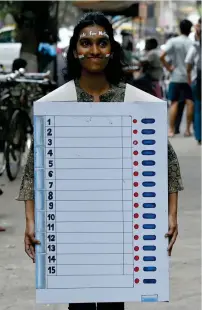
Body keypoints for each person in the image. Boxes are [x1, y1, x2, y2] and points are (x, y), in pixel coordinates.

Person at [17, 12, 183, 310]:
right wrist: (31, 220)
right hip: (71, 227)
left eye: (102, 42)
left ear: (112, 49)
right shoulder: (56, 104)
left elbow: (167, 162)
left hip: (118, 227)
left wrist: (171, 214)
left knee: (112, 301)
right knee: (77, 301)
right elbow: (35, 168)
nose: (94, 50)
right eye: (85, 43)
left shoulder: (136, 103)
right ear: (74, 50)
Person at [160, 19, 194, 137]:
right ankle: (188, 130)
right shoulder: (192, 43)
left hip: (175, 77)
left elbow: (162, 56)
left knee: (174, 102)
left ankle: (171, 130)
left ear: (180, 29)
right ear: (190, 30)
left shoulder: (173, 41)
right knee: (190, 102)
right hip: (190, 78)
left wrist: (169, 68)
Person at [186, 18, 201, 144]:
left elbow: (189, 63)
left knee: (198, 106)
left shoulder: (196, 46)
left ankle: (199, 136)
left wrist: (189, 77)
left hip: (198, 78)